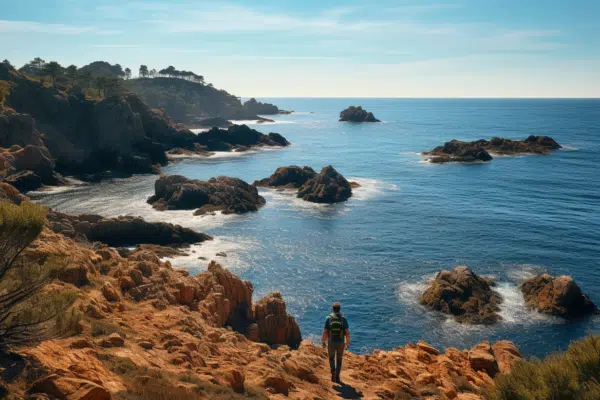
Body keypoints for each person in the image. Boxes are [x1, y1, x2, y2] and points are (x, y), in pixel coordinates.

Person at [322, 302, 350, 383]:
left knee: (331, 358)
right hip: (341, 342)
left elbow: (325, 331)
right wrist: (347, 342)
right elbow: (347, 332)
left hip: (331, 342)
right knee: (339, 359)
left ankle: (333, 372)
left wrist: (323, 341)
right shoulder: (343, 319)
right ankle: (337, 376)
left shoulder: (328, 318)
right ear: (339, 309)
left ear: (333, 309)